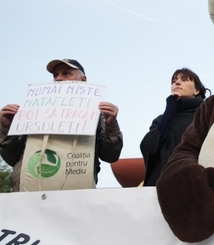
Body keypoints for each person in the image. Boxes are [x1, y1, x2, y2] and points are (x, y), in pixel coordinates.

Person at [0, 58, 123, 191]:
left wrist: (111, 125)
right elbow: (12, 159)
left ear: (83, 80)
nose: (58, 78)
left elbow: (111, 155)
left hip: (74, 199)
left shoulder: (97, 115)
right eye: (55, 75)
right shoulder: (32, 113)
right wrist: (5, 128)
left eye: (66, 73)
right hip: (27, 195)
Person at [140, 68, 208, 186]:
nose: (177, 82)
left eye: (184, 80)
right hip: (161, 184)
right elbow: (151, 147)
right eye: (174, 80)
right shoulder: (161, 119)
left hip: (196, 181)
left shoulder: (206, 116)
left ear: (196, 90)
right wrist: (170, 107)